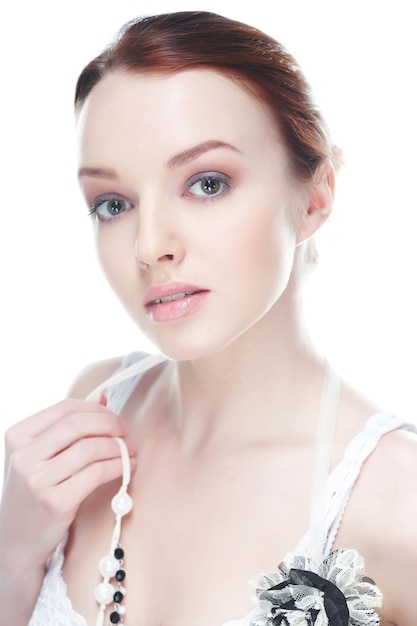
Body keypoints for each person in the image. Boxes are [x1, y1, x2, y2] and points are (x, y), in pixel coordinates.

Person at [1, 10, 416, 626]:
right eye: (113, 204)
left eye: (207, 183)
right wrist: (12, 553)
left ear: (316, 198)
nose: (149, 246)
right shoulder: (93, 408)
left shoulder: (394, 497)